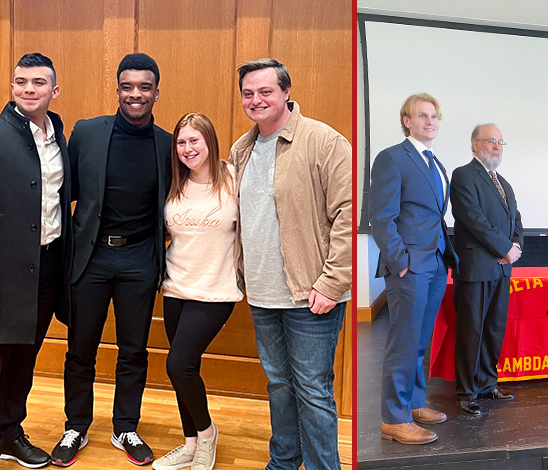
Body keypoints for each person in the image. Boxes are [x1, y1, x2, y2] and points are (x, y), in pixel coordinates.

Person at [230, 58, 351, 470]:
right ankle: (284, 462)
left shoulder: (324, 142)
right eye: (248, 93)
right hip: (263, 293)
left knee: (314, 391)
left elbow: (347, 216)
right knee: (279, 386)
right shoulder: (241, 148)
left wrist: (332, 283)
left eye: (265, 91)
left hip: (310, 296)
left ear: (285, 92)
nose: (255, 100)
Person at [51, 53, 172, 467]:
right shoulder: (86, 133)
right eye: (127, 86)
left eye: (144, 87)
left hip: (141, 259)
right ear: (117, 89)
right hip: (91, 257)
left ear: (157, 92)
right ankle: (76, 426)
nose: (135, 94)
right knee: (80, 348)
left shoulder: (168, 143)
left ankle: (126, 427)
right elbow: (60, 192)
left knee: (134, 350)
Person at [0, 52, 71, 470]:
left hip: (45, 272)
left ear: (54, 91)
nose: (28, 89)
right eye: (21, 81)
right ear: (12, 87)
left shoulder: (59, 136)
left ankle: (9, 433)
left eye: (38, 83)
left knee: (23, 365)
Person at [151, 113, 243, 470]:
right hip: (176, 287)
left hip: (217, 290)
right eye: (181, 142)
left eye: (195, 141)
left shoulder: (233, 177)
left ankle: (206, 435)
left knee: (178, 364)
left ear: (209, 142)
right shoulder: (174, 183)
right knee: (186, 367)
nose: (188, 149)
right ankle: (190, 446)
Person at [368, 93, 458, 445]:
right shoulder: (392, 158)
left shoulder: (435, 162)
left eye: (435, 116)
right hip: (409, 266)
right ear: (407, 120)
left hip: (435, 262)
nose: (430, 121)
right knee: (403, 342)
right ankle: (394, 418)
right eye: (422, 115)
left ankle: (414, 403)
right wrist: (401, 263)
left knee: (420, 339)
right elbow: (382, 218)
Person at [449, 123, 523, 416]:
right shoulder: (464, 176)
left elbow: (516, 219)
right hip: (476, 268)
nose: (496, 146)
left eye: (500, 142)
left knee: (494, 329)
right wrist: (504, 248)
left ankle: (487, 382)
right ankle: (466, 391)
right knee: (471, 331)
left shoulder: (503, 182)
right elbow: (473, 219)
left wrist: (516, 247)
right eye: (490, 141)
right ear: (474, 144)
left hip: (502, 269)